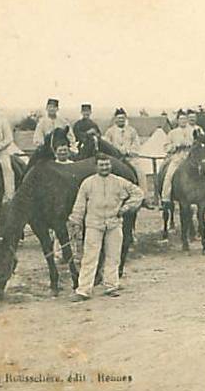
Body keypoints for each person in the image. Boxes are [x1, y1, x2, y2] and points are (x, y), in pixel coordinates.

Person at [68, 153, 144, 302]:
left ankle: (111, 285)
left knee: (113, 256)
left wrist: (125, 208)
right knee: (90, 257)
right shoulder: (87, 183)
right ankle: (83, 290)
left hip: (114, 224)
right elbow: (79, 205)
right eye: (102, 165)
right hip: (94, 225)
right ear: (96, 167)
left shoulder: (119, 182)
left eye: (107, 164)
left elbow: (138, 193)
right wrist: (75, 222)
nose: (105, 167)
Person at [160, 109, 197, 204]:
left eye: (185, 119)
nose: (183, 121)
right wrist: (176, 146)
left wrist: (192, 145)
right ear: (177, 121)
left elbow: (199, 144)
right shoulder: (173, 133)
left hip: (191, 158)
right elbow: (166, 147)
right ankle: (166, 198)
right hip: (178, 158)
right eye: (181, 119)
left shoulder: (194, 131)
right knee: (169, 175)